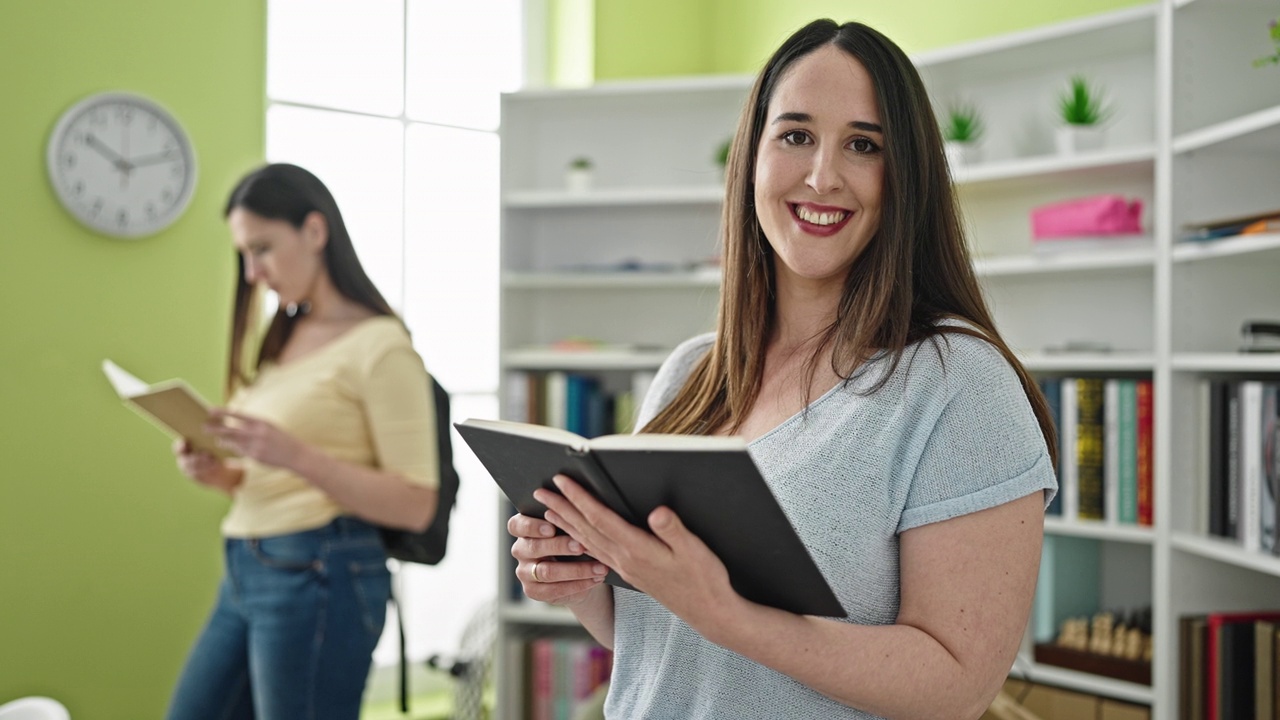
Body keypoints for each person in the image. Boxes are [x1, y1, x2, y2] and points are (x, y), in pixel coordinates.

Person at [507, 19, 1059, 720]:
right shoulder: (689, 376)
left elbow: (957, 687)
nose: (822, 176)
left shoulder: (959, 384)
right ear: (753, 157)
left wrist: (729, 615)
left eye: (863, 145)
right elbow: (659, 643)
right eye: (795, 135)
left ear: (906, 178)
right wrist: (578, 576)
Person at [166, 163, 439, 720]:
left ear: (315, 232)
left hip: (320, 576)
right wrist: (222, 476)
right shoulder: (286, 338)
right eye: (244, 254)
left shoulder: (381, 347)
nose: (252, 272)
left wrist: (294, 454)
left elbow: (417, 503)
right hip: (246, 568)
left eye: (262, 248)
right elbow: (275, 477)